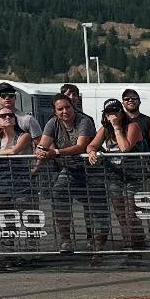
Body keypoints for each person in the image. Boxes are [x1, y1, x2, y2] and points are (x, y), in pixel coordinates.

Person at [37, 94, 106, 252]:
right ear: (55, 112)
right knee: (58, 193)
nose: (64, 111)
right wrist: (40, 151)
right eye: (60, 109)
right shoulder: (52, 123)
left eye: (67, 107)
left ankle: (98, 246)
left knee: (96, 207)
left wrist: (55, 152)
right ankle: (66, 239)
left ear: (73, 107)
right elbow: (43, 143)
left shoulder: (84, 121)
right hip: (70, 169)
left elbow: (81, 146)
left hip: (92, 170)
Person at [88, 98, 147, 248]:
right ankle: (129, 245)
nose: (112, 116)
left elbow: (125, 148)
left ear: (121, 113)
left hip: (133, 175)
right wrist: (92, 151)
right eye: (109, 113)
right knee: (121, 214)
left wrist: (117, 128)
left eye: (115, 112)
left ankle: (138, 245)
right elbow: (92, 144)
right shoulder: (104, 129)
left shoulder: (132, 126)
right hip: (115, 175)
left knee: (131, 213)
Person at [0, 102, 35, 203]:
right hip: (2, 183)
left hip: (22, 184)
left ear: (15, 119)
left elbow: (13, 151)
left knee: (25, 215)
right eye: (3, 116)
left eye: (11, 115)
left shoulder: (24, 136)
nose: (7, 117)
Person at [120, 88, 150, 154]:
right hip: (123, 161)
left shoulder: (149, 121)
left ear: (140, 102)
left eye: (134, 98)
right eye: (127, 99)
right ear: (122, 103)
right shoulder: (118, 121)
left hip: (144, 160)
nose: (130, 100)